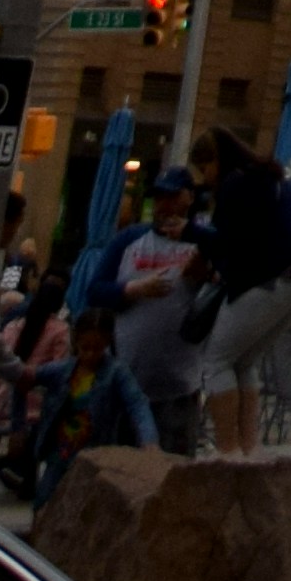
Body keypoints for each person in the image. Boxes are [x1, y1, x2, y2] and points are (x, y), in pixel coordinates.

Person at [196, 129, 291, 459]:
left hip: (274, 276)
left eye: (204, 167)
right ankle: (249, 447)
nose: (204, 178)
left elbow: (225, 241)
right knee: (245, 359)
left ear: (216, 161)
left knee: (216, 360)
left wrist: (189, 233)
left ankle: (228, 449)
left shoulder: (234, 184)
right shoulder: (268, 177)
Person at [102, 163, 218, 455]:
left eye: (172, 197)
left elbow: (232, 285)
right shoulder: (128, 240)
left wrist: (207, 276)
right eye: (159, 198)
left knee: (174, 471)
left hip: (180, 384)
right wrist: (131, 290)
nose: (164, 206)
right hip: (129, 382)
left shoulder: (203, 242)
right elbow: (94, 291)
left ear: (189, 198)